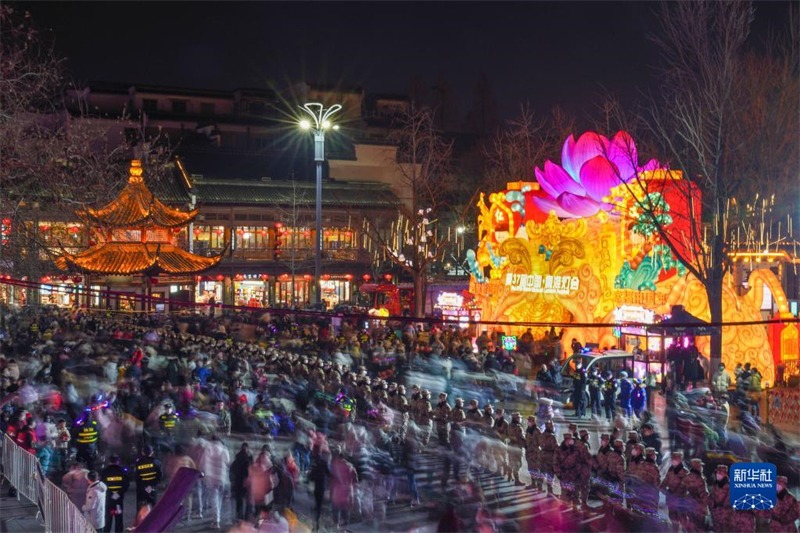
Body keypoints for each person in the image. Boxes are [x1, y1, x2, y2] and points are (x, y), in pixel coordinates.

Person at [199, 434, 230, 529]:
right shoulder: (224, 449)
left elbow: (203, 463)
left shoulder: (208, 448)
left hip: (212, 478)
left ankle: (216, 521)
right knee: (219, 499)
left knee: (214, 499)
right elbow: (228, 461)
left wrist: (204, 474)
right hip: (222, 477)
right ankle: (217, 518)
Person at [100, 454, 129, 533]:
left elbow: (102, 485)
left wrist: (110, 494)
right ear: (118, 461)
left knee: (108, 519)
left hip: (108, 500)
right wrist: (118, 494)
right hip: (118, 500)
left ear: (109, 461)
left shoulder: (105, 471)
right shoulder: (122, 471)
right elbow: (126, 485)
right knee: (118, 518)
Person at [660, 451, 688, 530]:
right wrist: (666, 492)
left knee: (683, 522)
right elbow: (663, 484)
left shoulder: (685, 472)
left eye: (675, 459)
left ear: (680, 459)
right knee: (673, 521)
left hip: (681, 502)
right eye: (672, 458)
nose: (673, 460)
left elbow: (687, 487)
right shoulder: (670, 471)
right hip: (671, 501)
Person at [134, 444, 162, 509]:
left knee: (141, 509)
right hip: (152, 489)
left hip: (142, 490)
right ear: (152, 452)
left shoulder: (138, 463)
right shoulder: (157, 462)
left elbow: (137, 478)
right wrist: (151, 486)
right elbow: (159, 477)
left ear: (142, 452)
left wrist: (144, 486)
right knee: (154, 509)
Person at [230, 442, 252, 521]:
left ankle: (239, 517)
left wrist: (233, 481)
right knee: (248, 500)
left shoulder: (237, 459)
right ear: (247, 449)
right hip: (247, 482)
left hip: (238, 481)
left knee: (239, 500)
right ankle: (247, 517)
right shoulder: (249, 459)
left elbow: (232, 470)